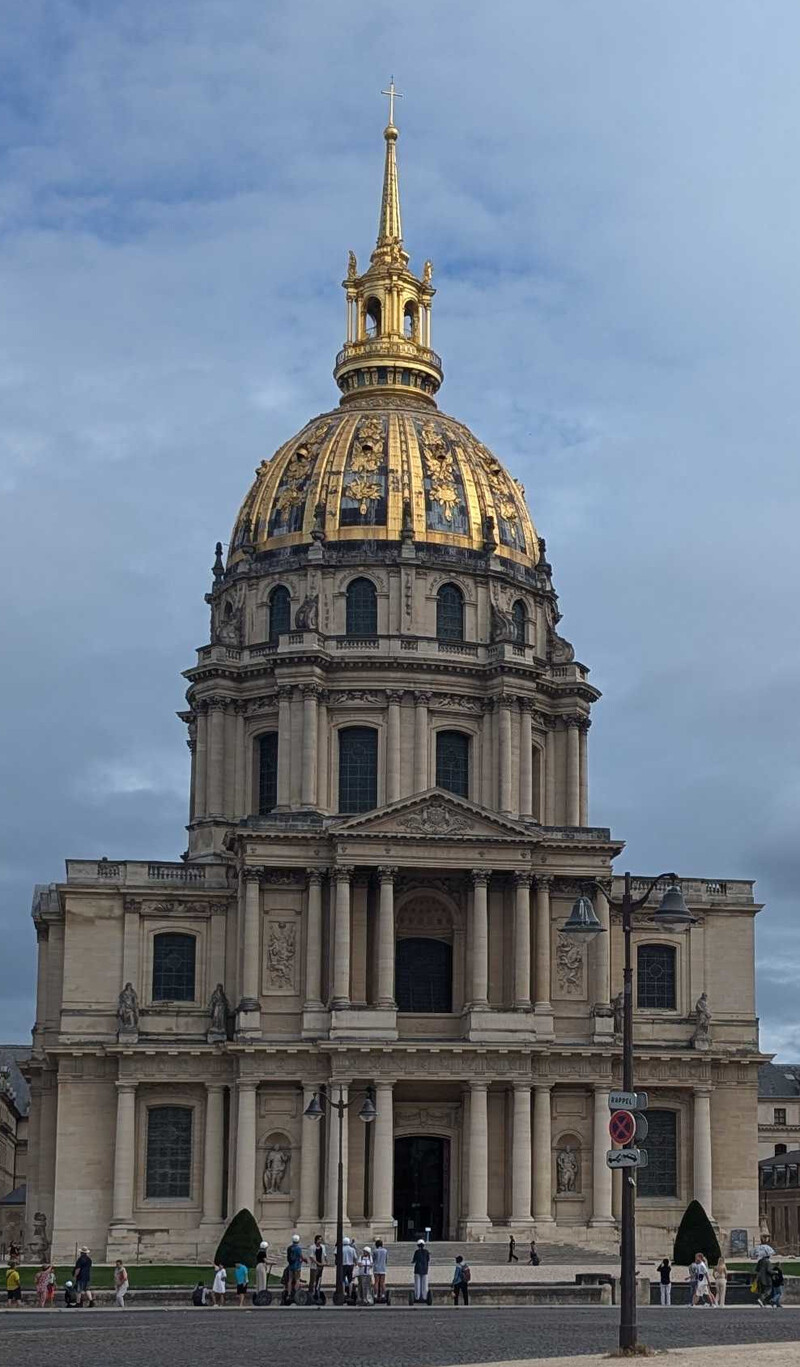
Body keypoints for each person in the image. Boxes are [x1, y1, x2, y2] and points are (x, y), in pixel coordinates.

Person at [286, 1233, 306, 1298]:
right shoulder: (298, 1248)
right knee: (297, 1279)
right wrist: (305, 1260)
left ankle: (289, 1293)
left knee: (290, 1280)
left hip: (291, 1266)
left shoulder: (289, 1248)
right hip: (297, 1266)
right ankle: (296, 1293)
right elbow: (301, 1256)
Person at [412, 1238, 431, 1304]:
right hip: (425, 1269)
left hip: (417, 1269)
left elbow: (414, 1260)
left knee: (417, 1283)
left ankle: (417, 1296)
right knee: (425, 1283)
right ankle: (425, 1296)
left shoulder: (416, 1252)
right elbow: (428, 1260)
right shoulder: (426, 1252)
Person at [308, 1234, 326, 1301]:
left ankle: (317, 1292)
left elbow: (324, 1255)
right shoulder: (312, 1247)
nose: (320, 1241)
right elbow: (311, 1257)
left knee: (319, 1280)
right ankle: (310, 1294)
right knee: (313, 1280)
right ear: (316, 1240)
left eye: (321, 1239)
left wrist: (325, 1262)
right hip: (314, 1267)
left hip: (321, 1266)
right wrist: (318, 1263)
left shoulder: (323, 1247)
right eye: (319, 1239)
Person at [372, 1238, 388, 1303]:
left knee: (376, 1282)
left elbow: (373, 1259)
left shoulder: (375, 1251)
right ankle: (383, 1295)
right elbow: (386, 1259)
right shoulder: (385, 1251)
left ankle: (375, 1295)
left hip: (376, 1267)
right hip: (383, 1267)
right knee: (382, 1282)